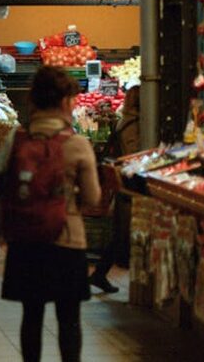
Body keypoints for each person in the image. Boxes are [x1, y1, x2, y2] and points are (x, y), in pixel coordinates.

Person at [0, 66, 101, 362]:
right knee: (69, 319)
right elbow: (93, 198)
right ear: (66, 102)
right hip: (66, 240)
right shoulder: (77, 144)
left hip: (25, 239)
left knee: (32, 316)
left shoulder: (16, 140)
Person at [88, 84, 140, 294]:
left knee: (120, 235)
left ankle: (99, 274)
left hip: (125, 186)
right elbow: (134, 152)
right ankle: (100, 274)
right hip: (130, 186)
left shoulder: (125, 122)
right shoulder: (132, 125)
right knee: (122, 234)